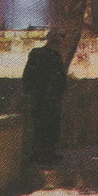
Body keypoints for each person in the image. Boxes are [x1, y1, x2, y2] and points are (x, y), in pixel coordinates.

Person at [21, 35, 68, 164]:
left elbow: (27, 74)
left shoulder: (36, 54)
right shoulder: (54, 56)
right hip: (51, 98)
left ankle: (40, 154)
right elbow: (60, 78)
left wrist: (29, 91)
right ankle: (48, 154)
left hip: (39, 97)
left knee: (40, 126)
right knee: (50, 127)